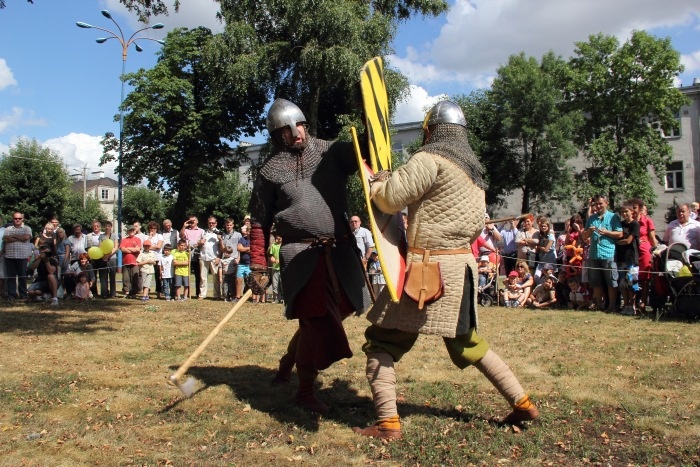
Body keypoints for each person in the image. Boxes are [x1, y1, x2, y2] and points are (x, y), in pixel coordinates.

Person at [353, 101, 537, 440]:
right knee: (468, 342)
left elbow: (390, 200)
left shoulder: (429, 160)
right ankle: (522, 402)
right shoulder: (474, 175)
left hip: (428, 271)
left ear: (430, 130)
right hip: (461, 268)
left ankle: (388, 423)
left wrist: (377, 183)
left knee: (382, 342)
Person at [248, 98, 371, 413]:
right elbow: (260, 223)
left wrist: (369, 118)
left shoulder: (331, 152)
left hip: (340, 252)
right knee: (316, 321)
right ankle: (304, 391)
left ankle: (288, 362)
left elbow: (365, 151)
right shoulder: (270, 172)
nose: (296, 133)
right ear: (277, 136)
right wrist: (259, 263)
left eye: (299, 126)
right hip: (301, 255)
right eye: (288, 131)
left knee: (324, 318)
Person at [582, 194, 623, 312]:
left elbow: (619, 233)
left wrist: (606, 232)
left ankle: (612, 306)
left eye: (600, 203)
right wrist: (589, 230)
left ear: (606, 203)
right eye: (596, 204)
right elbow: (584, 236)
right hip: (594, 254)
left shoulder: (613, 217)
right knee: (595, 282)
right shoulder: (591, 218)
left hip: (608, 253)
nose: (598, 206)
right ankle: (599, 305)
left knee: (611, 281)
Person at [627, 198, 657, 314]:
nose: (633, 210)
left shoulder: (647, 221)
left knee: (645, 280)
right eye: (631, 208)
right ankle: (632, 303)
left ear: (639, 208)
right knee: (632, 278)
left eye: (634, 208)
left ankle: (643, 303)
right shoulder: (628, 222)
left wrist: (656, 251)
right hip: (631, 252)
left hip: (644, 251)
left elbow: (652, 238)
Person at [616, 204, 640, 315]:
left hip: (631, 258)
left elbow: (629, 240)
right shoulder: (620, 224)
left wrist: (619, 241)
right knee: (622, 283)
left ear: (631, 211)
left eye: (626, 211)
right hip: (621, 257)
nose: (624, 214)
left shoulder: (635, 224)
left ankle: (632, 305)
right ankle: (626, 304)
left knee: (631, 283)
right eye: (622, 212)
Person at [3, 212, 33, 300]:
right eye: (15, 218)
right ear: (13, 219)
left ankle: (23, 294)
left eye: (19, 218)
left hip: (22, 256)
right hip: (10, 256)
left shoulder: (27, 228)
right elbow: (6, 239)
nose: (17, 220)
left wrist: (13, 236)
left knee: (22, 276)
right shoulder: (8, 229)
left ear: (22, 219)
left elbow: (26, 238)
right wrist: (20, 237)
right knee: (11, 277)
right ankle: (11, 294)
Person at [198, 216, 221, 300]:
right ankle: (202, 294)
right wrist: (200, 242)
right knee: (203, 277)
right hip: (203, 257)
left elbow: (222, 247)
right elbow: (198, 243)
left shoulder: (219, 233)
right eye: (210, 223)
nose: (211, 224)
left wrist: (219, 257)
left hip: (214, 257)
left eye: (213, 223)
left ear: (216, 223)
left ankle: (217, 295)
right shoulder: (204, 232)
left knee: (216, 277)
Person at [180, 215, 204, 298]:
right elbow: (181, 236)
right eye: (190, 221)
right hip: (188, 254)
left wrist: (197, 244)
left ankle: (198, 293)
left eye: (193, 220)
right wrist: (184, 226)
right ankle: (187, 293)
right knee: (187, 274)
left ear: (197, 221)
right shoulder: (186, 230)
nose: (192, 222)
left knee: (198, 275)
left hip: (197, 254)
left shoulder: (201, 231)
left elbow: (203, 241)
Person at [120, 225, 142, 298]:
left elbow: (138, 249)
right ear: (128, 231)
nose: (131, 231)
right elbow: (122, 249)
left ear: (135, 231)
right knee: (126, 278)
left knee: (135, 277)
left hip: (135, 261)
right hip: (126, 261)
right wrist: (132, 249)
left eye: (133, 230)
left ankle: (134, 292)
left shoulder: (138, 239)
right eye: (130, 230)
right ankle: (127, 291)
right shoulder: (124, 240)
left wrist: (128, 248)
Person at [533, 216, 556, 284]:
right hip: (542, 260)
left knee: (550, 277)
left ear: (548, 227)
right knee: (536, 276)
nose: (543, 228)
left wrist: (539, 247)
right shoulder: (541, 236)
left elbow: (546, 249)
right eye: (542, 226)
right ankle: (541, 287)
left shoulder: (551, 236)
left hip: (550, 260)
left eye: (545, 226)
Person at [99, 221, 119, 298]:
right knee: (103, 276)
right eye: (105, 226)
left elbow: (116, 247)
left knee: (112, 276)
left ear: (111, 227)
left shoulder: (114, 236)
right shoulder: (101, 236)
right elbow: (100, 246)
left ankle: (113, 293)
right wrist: (104, 256)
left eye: (108, 226)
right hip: (103, 257)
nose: (107, 227)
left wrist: (108, 256)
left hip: (112, 258)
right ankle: (104, 293)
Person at [145, 221, 164, 299]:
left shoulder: (160, 236)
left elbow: (158, 246)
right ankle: (147, 292)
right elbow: (145, 246)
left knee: (158, 276)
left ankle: (159, 292)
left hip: (157, 258)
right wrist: (149, 237)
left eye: (154, 228)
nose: (153, 230)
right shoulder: (146, 237)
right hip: (148, 258)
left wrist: (149, 247)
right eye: (151, 228)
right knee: (148, 276)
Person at [86, 220, 104, 297]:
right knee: (93, 275)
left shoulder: (104, 235)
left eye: (97, 226)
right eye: (94, 226)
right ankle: (94, 293)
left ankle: (104, 293)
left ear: (100, 227)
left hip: (102, 257)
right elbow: (87, 247)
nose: (96, 227)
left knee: (102, 275)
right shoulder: (88, 236)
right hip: (92, 258)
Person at [235, 225, 251, 301]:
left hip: (250, 264)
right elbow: (239, 248)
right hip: (241, 264)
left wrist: (243, 249)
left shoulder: (254, 241)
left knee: (250, 281)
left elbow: (254, 251)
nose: (249, 233)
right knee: (239, 280)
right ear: (246, 231)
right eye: (248, 231)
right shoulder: (242, 239)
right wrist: (247, 248)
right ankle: (238, 297)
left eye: (250, 231)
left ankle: (251, 298)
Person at [268, 233, 283, 303]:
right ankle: (276, 298)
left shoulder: (284, 245)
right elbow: (271, 255)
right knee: (275, 284)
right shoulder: (274, 245)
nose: (279, 238)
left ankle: (283, 298)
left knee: (282, 284)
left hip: (282, 268)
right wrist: (273, 259)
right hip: (275, 268)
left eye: (280, 237)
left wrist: (280, 260)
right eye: (278, 237)